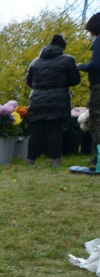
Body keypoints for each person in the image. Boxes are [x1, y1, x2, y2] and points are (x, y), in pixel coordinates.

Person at [26, 34, 80, 167]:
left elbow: (29, 82)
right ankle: (56, 160)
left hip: (37, 98)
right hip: (59, 97)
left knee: (37, 130)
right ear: (62, 48)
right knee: (56, 129)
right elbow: (75, 80)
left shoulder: (35, 62)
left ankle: (30, 160)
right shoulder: (68, 60)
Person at [78, 13, 100, 166]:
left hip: (98, 86)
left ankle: (98, 158)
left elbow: (96, 65)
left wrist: (81, 66)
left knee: (96, 119)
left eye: (90, 30)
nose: (90, 34)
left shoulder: (99, 41)